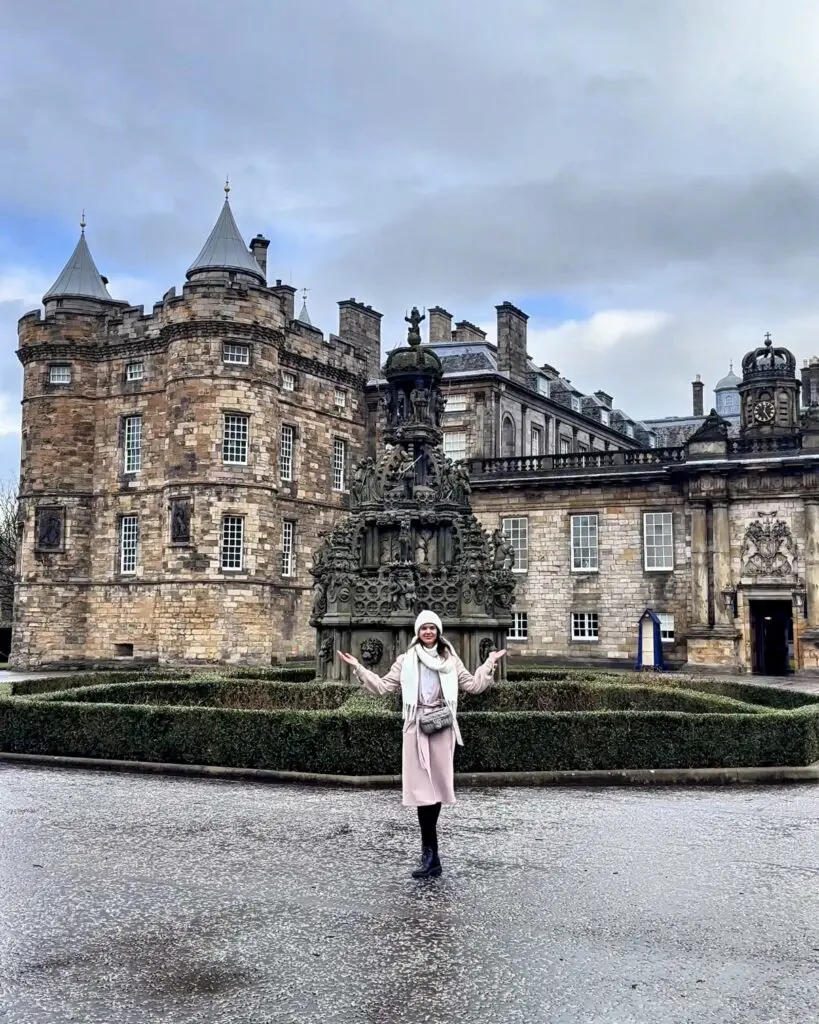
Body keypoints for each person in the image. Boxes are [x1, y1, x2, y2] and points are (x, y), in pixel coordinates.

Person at [338, 611, 506, 879]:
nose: (428, 632)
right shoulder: (406, 661)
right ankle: (430, 853)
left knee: (435, 790)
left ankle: (431, 855)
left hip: (440, 727)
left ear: (438, 632)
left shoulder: (450, 660)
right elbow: (383, 687)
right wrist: (358, 667)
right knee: (422, 792)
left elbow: (473, 685)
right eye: (424, 628)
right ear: (418, 632)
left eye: (432, 628)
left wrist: (488, 664)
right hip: (416, 727)